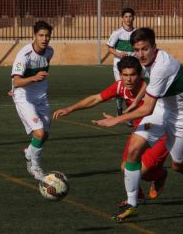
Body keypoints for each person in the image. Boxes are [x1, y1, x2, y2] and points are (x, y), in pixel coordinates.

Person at [93, 28, 183, 221]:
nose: (141, 54)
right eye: (137, 49)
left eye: (145, 49)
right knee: (134, 149)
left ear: (154, 47)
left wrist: (116, 119)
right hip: (162, 110)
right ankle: (132, 203)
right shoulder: (146, 61)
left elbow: (147, 108)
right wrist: (131, 105)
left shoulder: (162, 66)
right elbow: (148, 88)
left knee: (178, 164)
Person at [52, 56, 169, 202]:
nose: (128, 79)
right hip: (140, 130)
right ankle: (136, 197)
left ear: (139, 75)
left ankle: (160, 175)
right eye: (125, 75)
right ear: (120, 75)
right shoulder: (120, 86)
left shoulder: (151, 88)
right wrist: (70, 109)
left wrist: (117, 119)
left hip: (161, 132)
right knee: (125, 167)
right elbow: (96, 98)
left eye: (132, 75)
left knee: (143, 172)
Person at [11, 20, 54, 181]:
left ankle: (29, 152)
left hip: (41, 98)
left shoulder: (50, 51)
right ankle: (35, 168)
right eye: (41, 35)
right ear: (34, 36)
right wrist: (33, 78)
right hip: (24, 98)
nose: (44, 39)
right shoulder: (24, 55)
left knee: (45, 135)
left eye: (47, 36)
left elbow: (44, 69)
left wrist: (37, 80)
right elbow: (16, 81)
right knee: (39, 132)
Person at [106, 7, 136, 116]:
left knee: (132, 90)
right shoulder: (117, 33)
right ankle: (119, 108)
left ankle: (129, 114)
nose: (128, 19)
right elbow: (109, 48)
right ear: (122, 19)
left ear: (133, 18)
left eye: (130, 17)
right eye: (126, 17)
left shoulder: (136, 33)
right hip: (119, 66)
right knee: (121, 88)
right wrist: (119, 54)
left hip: (132, 67)